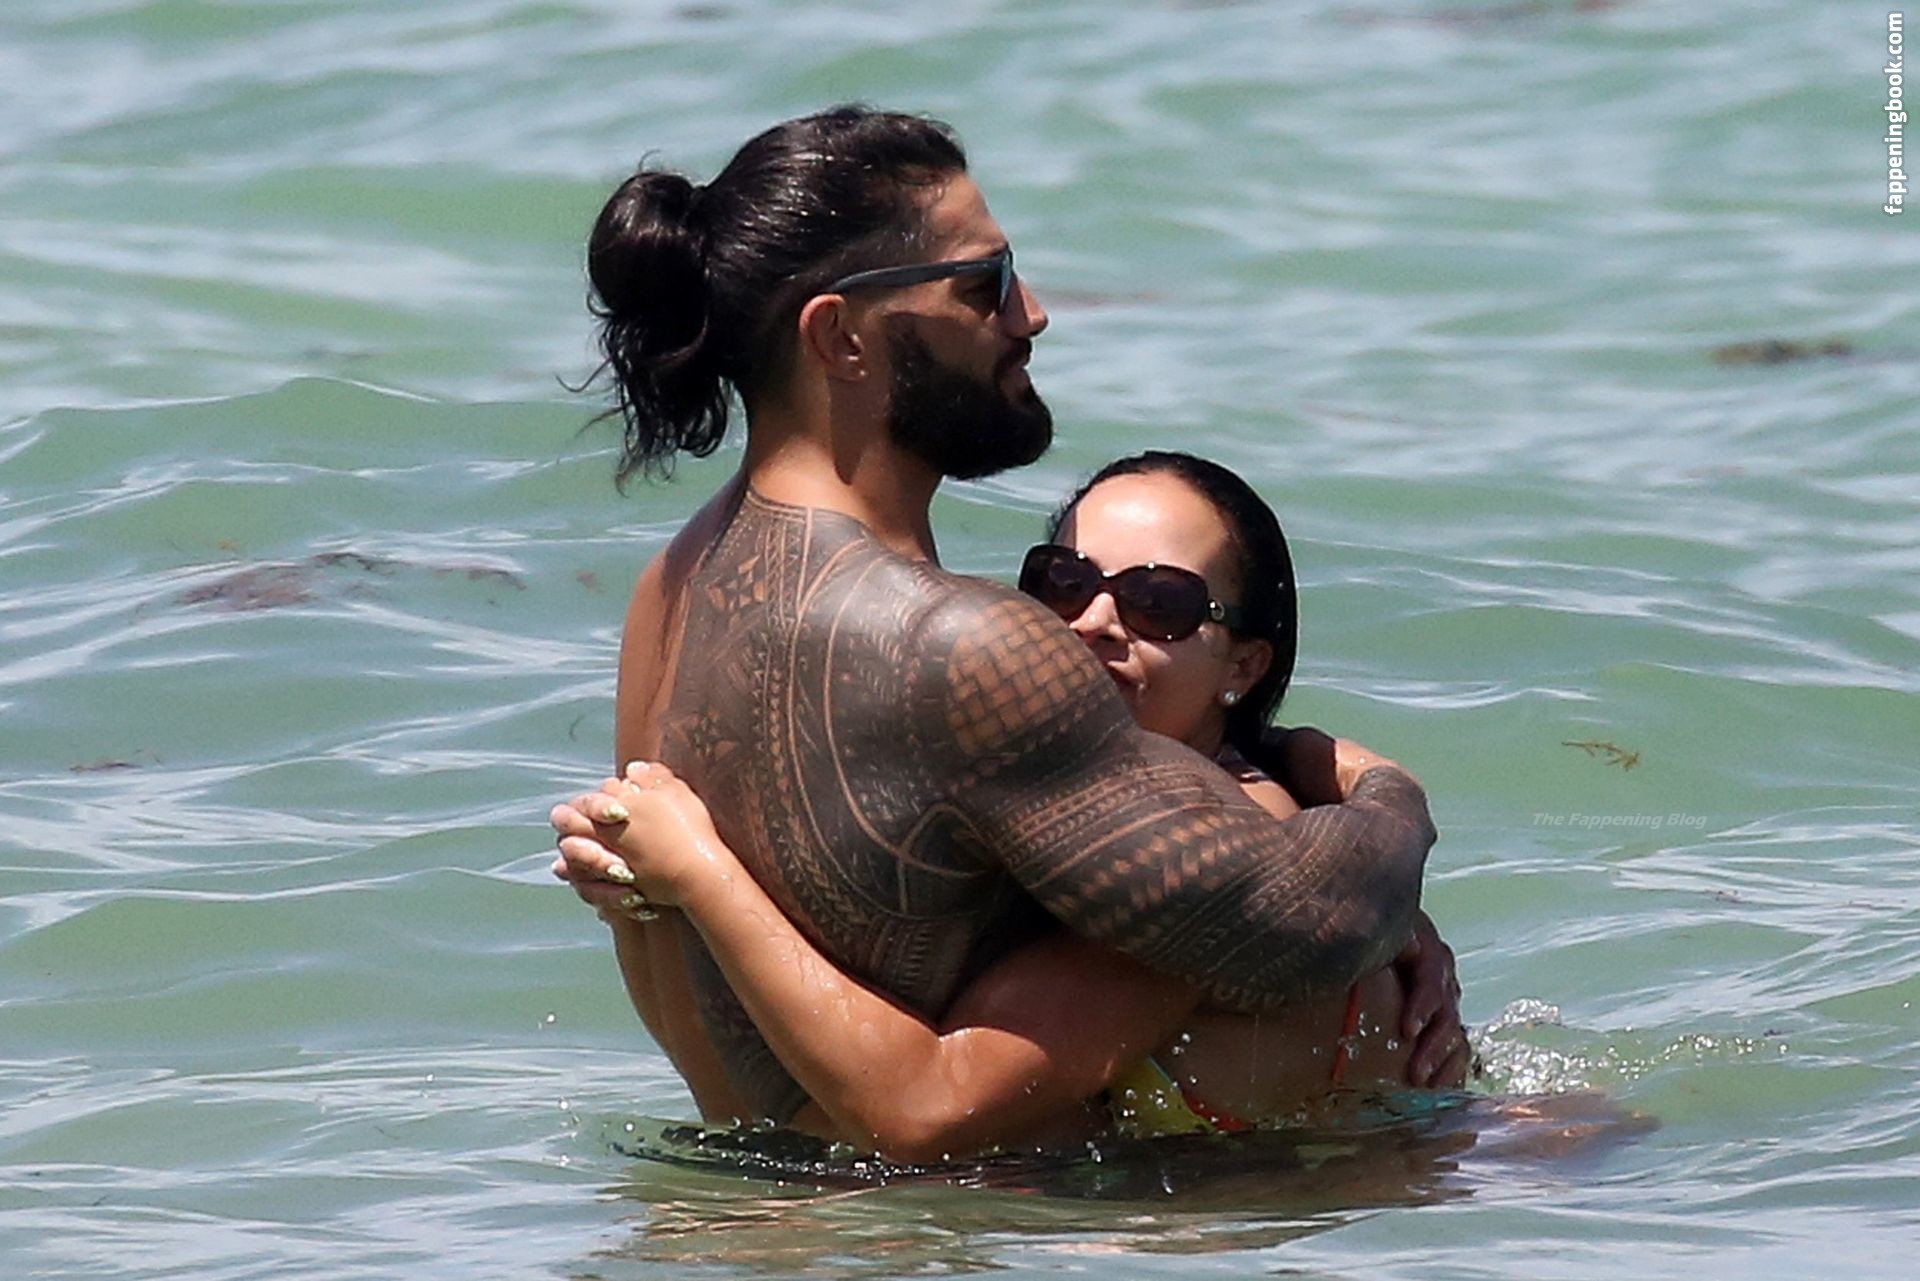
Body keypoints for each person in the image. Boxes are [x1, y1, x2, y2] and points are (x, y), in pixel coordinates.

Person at [548, 105, 1445, 1138]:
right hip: (915, 1220)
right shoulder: (956, 644)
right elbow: (1302, 921)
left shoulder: (669, 586)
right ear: (839, 337)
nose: (1033, 313)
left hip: (722, 1206)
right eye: (985, 283)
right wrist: (1394, 803)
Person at [555, 451, 1465, 1159]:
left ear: (1244, 664)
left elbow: (922, 1110)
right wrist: (641, 878)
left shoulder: (1204, 855)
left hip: (1394, 1188)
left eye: (1158, 601)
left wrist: (702, 875)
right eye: (1064, 581)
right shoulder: (1073, 818)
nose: (1094, 621)